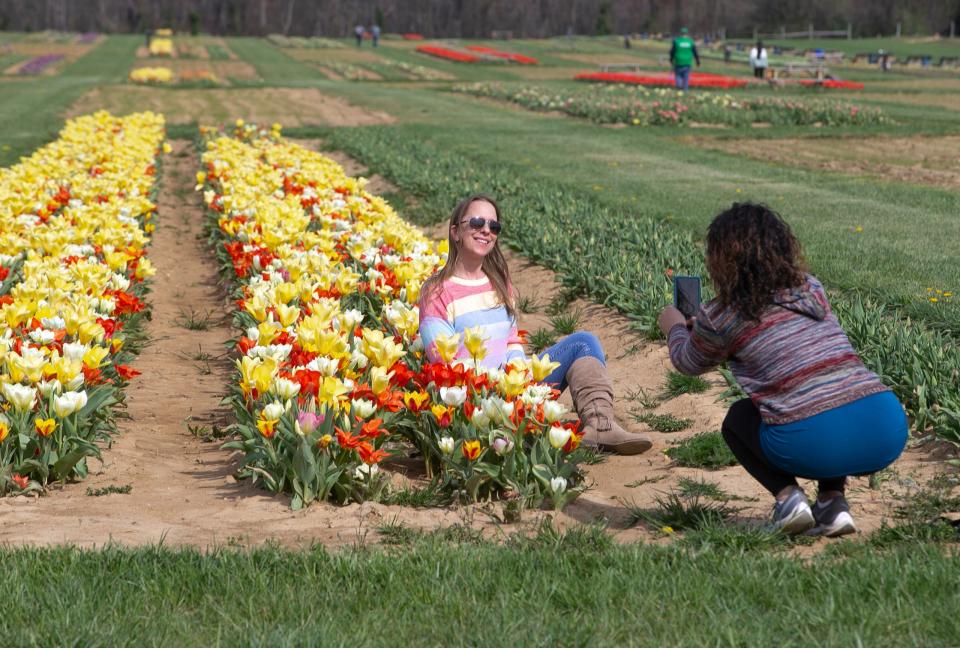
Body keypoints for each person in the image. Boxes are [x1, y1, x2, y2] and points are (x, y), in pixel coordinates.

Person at [658, 203, 907, 536]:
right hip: (885, 425)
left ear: (720, 261)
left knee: (739, 419)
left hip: (812, 440)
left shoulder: (722, 315)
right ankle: (832, 504)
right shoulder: (810, 289)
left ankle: (789, 499)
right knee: (824, 390)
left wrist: (674, 326)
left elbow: (687, 362)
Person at [419, 195, 653, 456]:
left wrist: (518, 378)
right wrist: (500, 391)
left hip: (513, 388)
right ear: (455, 232)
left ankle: (600, 426)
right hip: (475, 400)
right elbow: (444, 363)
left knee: (583, 343)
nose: (486, 230)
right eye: (476, 222)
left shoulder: (498, 282)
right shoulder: (436, 292)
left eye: (494, 226)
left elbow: (511, 340)